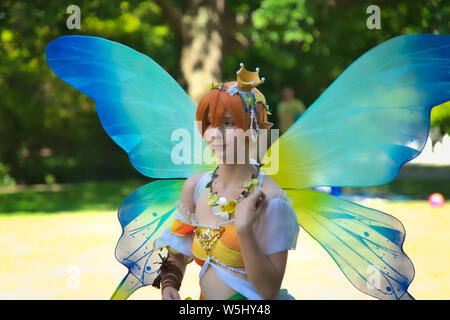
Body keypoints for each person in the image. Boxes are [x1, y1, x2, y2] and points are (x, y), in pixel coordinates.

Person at [153, 72, 299, 300]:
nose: (215, 134)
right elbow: (177, 249)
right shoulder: (196, 187)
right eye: (209, 123)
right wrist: (170, 285)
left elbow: (269, 291)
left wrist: (244, 230)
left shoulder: (271, 199)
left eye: (228, 123)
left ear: (254, 130)